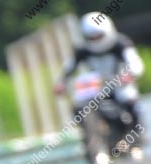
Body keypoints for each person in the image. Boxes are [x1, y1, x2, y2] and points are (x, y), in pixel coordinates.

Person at [54, 12, 145, 150]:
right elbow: (69, 67)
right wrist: (61, 83)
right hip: (98, 87)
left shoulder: (120, 43)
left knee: (128, 99)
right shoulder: (82, 49)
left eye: (98, 36)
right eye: (91, 37)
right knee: (80, 106)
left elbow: (135, 62)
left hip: (120, 83)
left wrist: (130, 74)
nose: (95, 40)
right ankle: (93, 138)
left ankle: (136, 134)